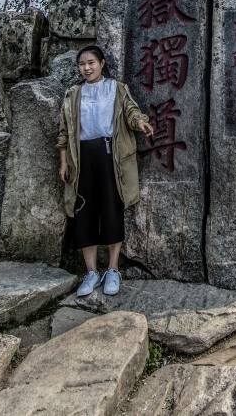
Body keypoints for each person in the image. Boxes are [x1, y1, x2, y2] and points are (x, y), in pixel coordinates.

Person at [57, 45, 153, 297]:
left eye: (91, 62)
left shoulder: (116, 88)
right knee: (83, 211)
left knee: (112, 208)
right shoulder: (73, 94)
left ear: (101, 63)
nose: (86, 68)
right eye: (82, 64)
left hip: (111, 155)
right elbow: (63, 132)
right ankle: (91, 272)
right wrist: (64, 161)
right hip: (81, 158)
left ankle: (112, 269)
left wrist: (141, 122)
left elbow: (131, 111)